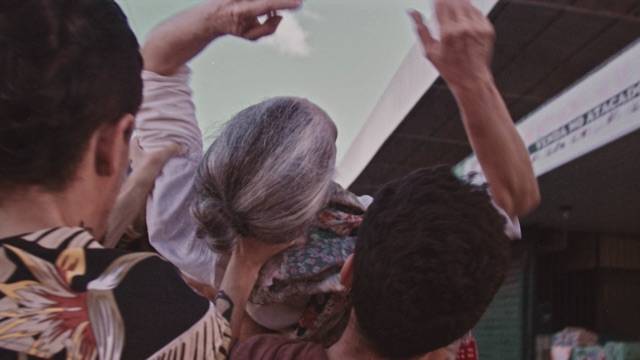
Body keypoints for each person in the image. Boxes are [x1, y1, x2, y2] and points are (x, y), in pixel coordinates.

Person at [231, 0, 541, 359]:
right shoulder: (450, 294)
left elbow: (218, 340)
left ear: (347, 272)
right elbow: (516, 195)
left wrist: (242, 265)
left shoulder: (258, 352)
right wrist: (474, 82)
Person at [0, 0, 300, 358]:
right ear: (109, 147)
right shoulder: (140, 304)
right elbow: (213, 345)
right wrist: (245, 263)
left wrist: (147, 170)